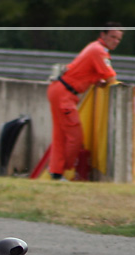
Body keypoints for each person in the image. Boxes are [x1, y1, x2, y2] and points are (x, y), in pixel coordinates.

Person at [47, 24, 123, 180]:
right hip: (64, 94)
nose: (116, 41)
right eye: (113, 37)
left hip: (61, 91)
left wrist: (95, 80)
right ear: (103, 34)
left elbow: (88, 72)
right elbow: (110, 77)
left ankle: (56, 172)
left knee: (61, 135)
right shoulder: (98, 51)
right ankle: (61, 169)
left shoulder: (94, 48)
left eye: (118, 39)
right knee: (74, 137)